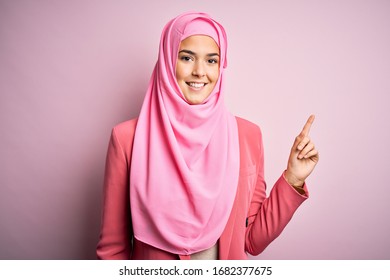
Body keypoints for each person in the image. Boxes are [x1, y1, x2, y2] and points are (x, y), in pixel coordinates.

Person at [96, 12, 319, 260]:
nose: (200, 71)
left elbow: (253, 241)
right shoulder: (127, 139)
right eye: (187, 57)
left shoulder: (247, 136)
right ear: (168, 60)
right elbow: (113, 251)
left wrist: (293, 179)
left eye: (212, 61)